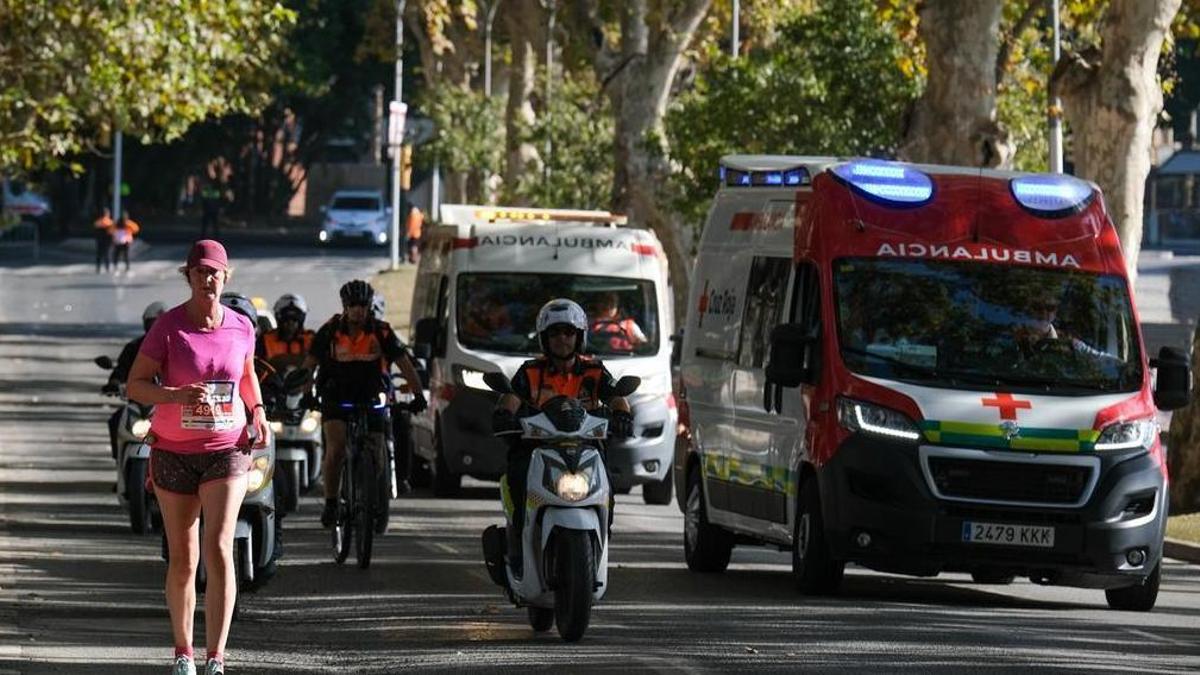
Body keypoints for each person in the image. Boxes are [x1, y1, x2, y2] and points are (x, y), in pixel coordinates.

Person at [125, 240, 267, 675]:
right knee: (184, 558)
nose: (208, 279)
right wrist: (175, 395)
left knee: (219, 547)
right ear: (187, 275)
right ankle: (184, 653)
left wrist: (258, 413)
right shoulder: (168, 328)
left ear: (227, 277)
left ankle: (216, 657)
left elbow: (246, 376)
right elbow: (136, 385)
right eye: (200, 272)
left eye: (215, 272)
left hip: (226, 449)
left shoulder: (242, 327)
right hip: (173, 451)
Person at [492, 299, 634, 576]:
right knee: (518, 476)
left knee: (608, 491)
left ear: (579, 336)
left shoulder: (594, 370)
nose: (562, 339)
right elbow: (511, 397)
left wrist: (623, 415)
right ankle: (519, 548)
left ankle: (599, 546)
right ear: (545, 338)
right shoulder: (531, 371)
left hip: (586, 447)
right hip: (537, 448)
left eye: (568, 332)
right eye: (555, 333)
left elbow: (617, 397)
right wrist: (504, 414)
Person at [302, 280, 426, 531]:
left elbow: (404, 364)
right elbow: (309, 365)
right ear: (345, 307)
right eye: (353, 305)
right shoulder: (330, 330)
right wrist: (307, 394)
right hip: (336, 395)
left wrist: (418, 394)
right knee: (336, 449)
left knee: (378, 450)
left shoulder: (382, 331)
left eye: (363, 305)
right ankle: (331, 502)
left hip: (371, 396)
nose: (358, 310)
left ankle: (371, 494)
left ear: (369, 307)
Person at [102, 301, 166, 459]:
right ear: (145, 324)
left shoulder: (174, 346)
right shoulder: (134, 347)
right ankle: (119, 461)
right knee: (116, 420)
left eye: (159, 323)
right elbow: (121, 369)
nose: (155, 328)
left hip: (163, 406)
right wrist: (115, 383)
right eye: (152, 323)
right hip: (137, 403)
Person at [259, 294, 314, 374]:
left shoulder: (311, 339)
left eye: (295, 320)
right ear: (279, 319)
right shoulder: (265, 339)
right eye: (286, 319)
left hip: (304, 384)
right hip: (272, 384)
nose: (290, 324)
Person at [93, 208, 114, 273]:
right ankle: (107, 267)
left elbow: (95, 231)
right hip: (107, 241)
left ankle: (98, 268)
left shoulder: (97, 222)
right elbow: (112, 233)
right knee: (107, 254)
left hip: (99, 240)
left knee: (99, 254)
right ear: (107, 214)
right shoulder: (110, 222)